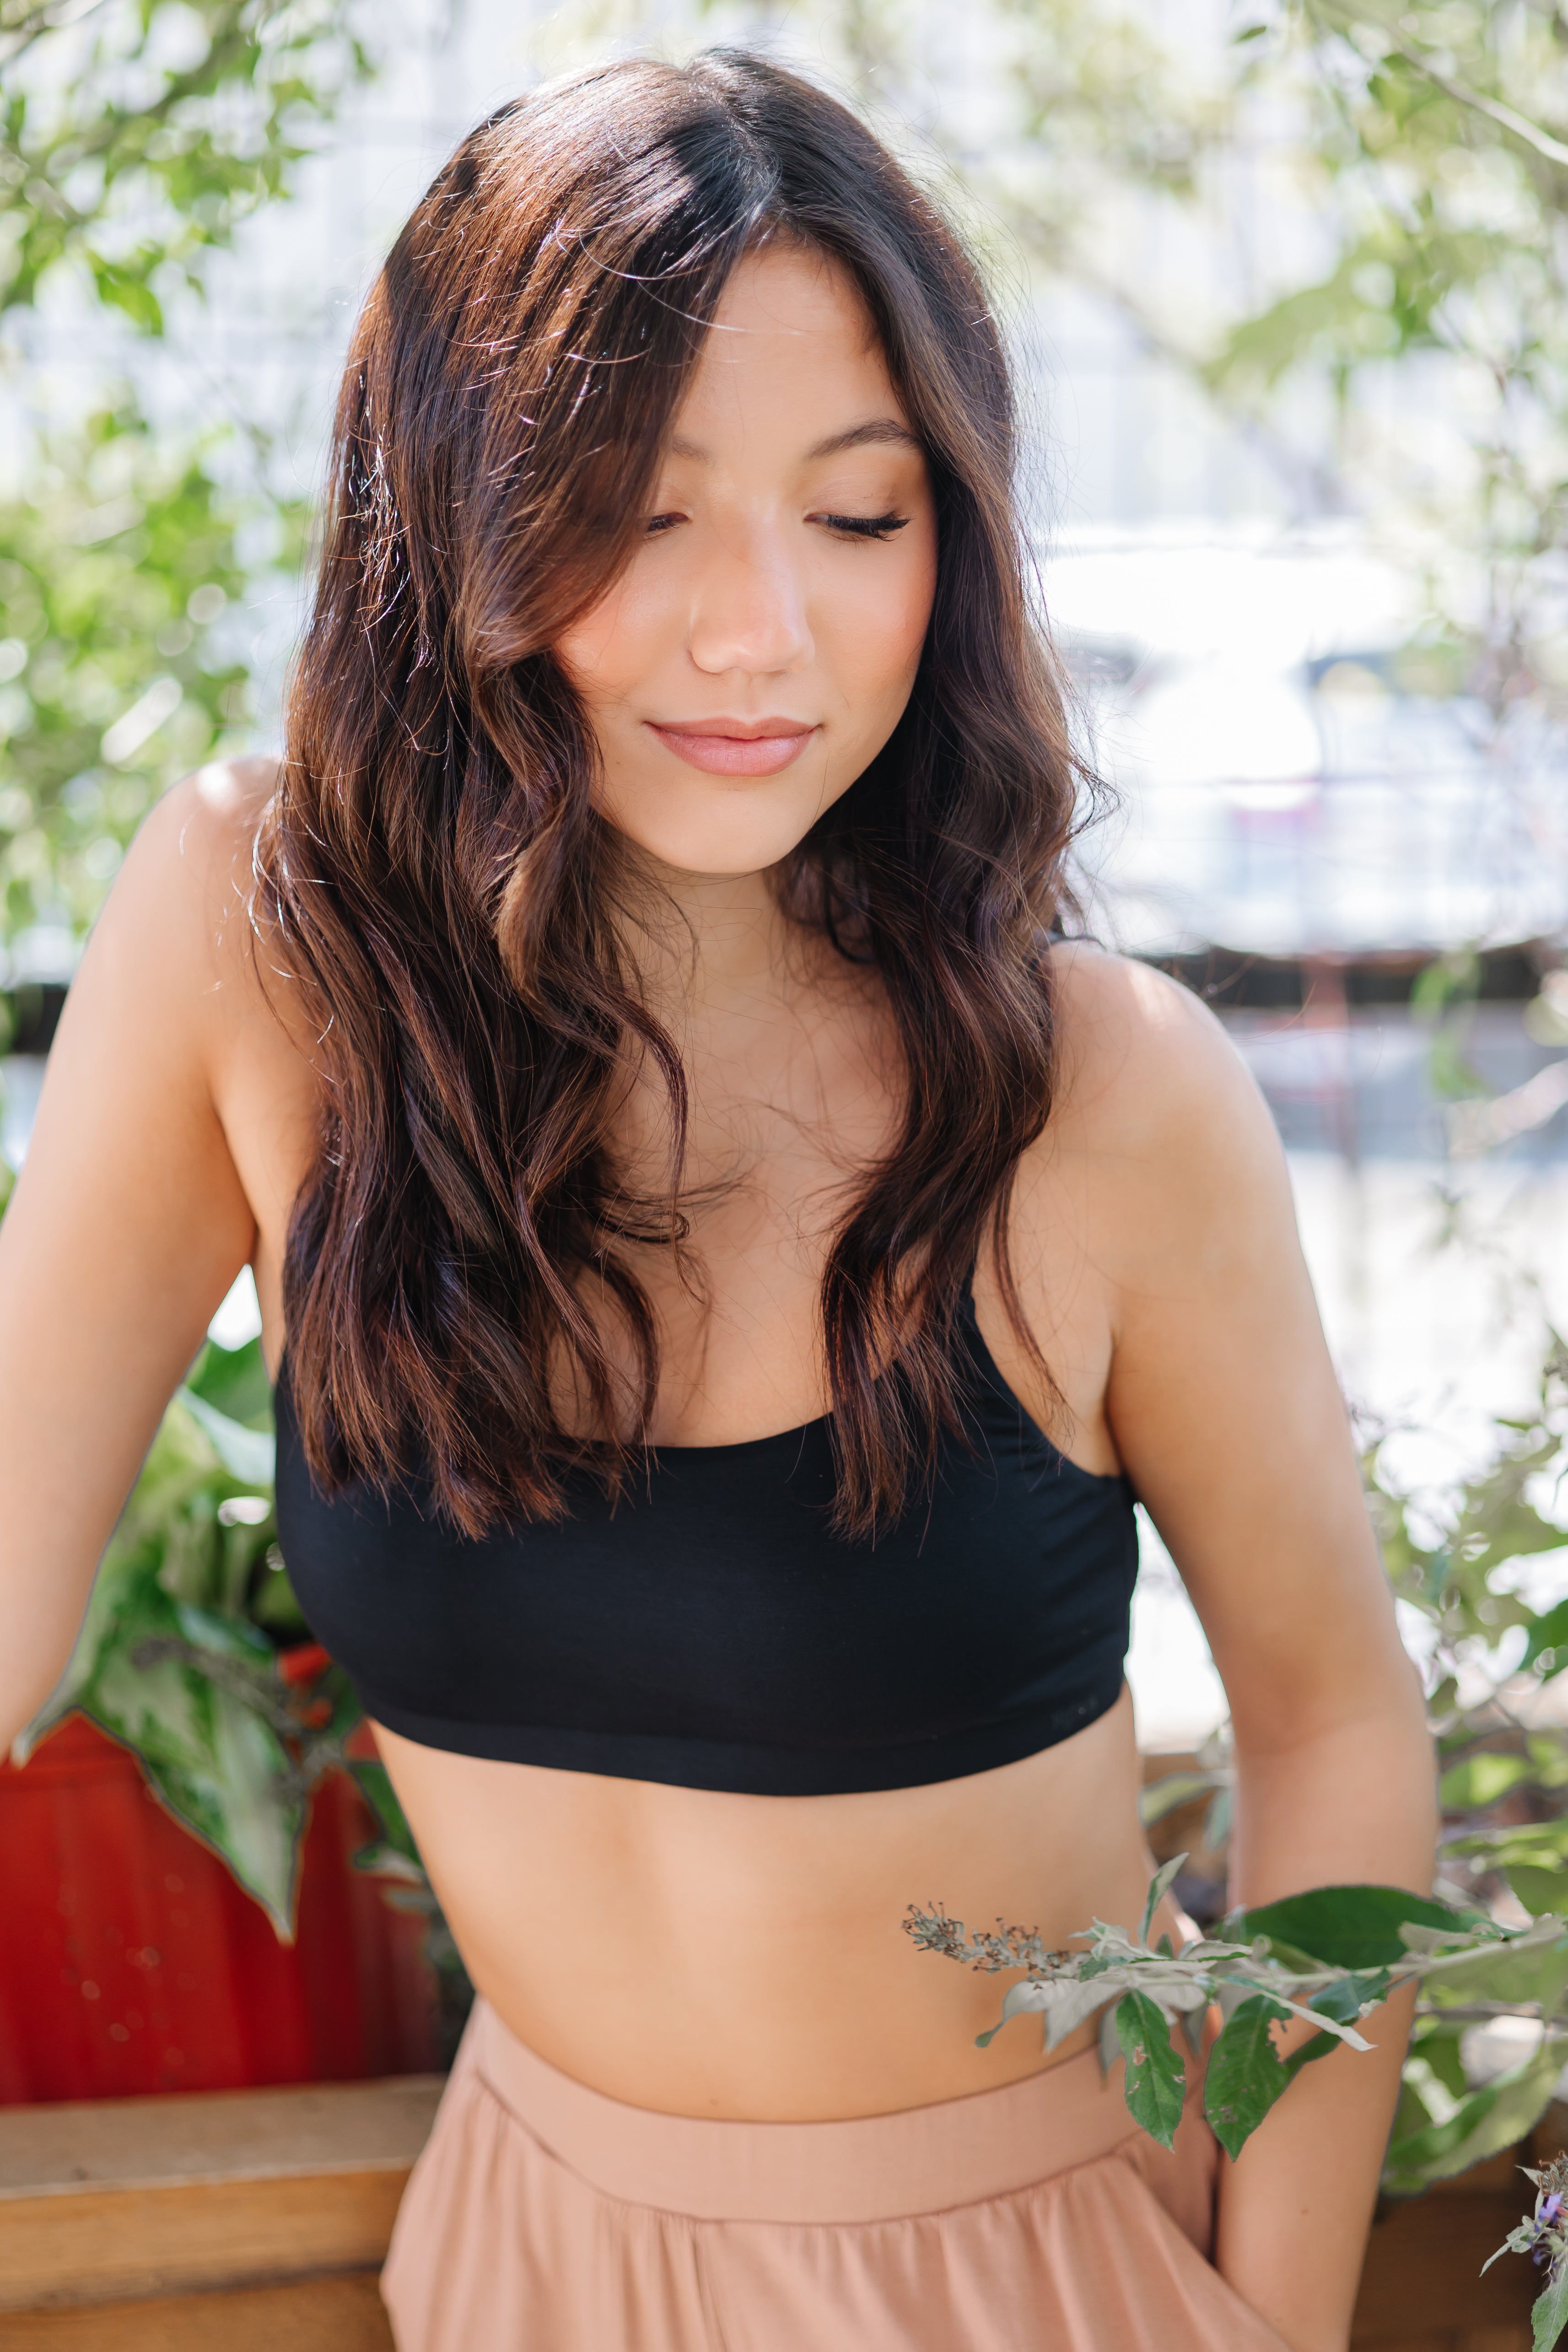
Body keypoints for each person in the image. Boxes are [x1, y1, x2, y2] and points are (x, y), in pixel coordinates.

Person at [0, 49, 1434, 2352]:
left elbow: (1335, 1722)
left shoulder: (1104, 1092)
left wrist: (1261, 2315)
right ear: (453, 511)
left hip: (1044, 2266)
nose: (758, 629)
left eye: (858, 518)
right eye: (645, 516)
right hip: (535, 2241)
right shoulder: (253, 941)